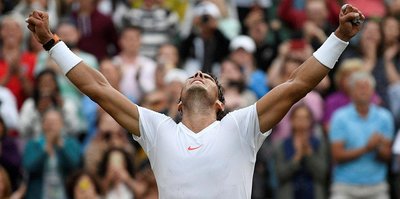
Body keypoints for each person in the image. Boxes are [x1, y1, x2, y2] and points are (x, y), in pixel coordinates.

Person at [26, 5, 364, 198]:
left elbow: (297, 84)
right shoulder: (157, 129)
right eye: (192, 76)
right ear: (178, 103)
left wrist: (339, 38)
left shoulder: (241, 125)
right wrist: (52, 43)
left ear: (220, 104)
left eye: (207, 77)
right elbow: (99, 88)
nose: (199, 74)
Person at [329, 71, 394, 199]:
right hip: (344, 186)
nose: (363, 91)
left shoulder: (385, 117)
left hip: (377, 186)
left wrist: (378, 148)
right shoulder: (339, 117)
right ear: (351, 92)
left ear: (372, 91)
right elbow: (337, 156)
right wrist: (367, 148)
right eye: (359, 87)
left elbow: (387, 157)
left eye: (367, 87)